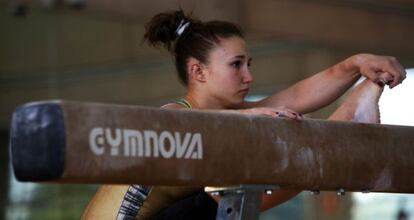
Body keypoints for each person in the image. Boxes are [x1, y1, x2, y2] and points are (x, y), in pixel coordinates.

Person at [81, 10, 406, 220]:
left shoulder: (230, 118)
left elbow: (295, 97)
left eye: (249, 64)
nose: (248, 76)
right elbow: (212, 130)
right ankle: (346, 121)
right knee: (231, 191)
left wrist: (356, 63)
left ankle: (346, 121)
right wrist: (257, 119)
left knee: (240, 187)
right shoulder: (175, 116)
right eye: (236, 65)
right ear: (199, 71)